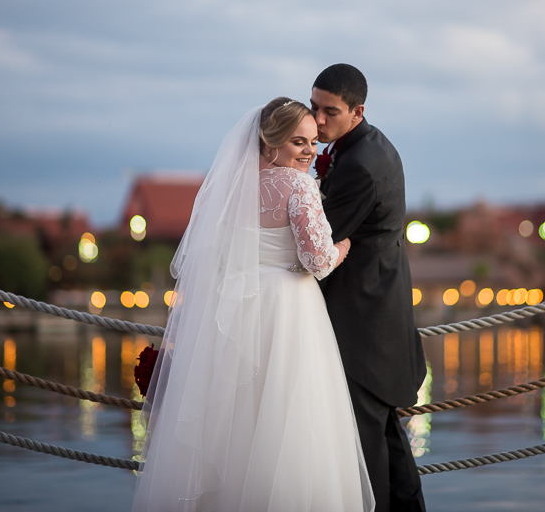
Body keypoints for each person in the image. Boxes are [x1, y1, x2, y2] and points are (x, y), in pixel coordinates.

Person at [132, 97, 374, 512]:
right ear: (268, 143)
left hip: (237, 310)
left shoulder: (227, 190)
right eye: (298, 141)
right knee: (290, 417)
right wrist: (343, 247)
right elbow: (316, 261)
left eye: (313, 142)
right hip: (288, 311)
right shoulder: (298, 186)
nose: (308, 151)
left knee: (235, 416)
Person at [311, 64, 427, 512]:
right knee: (385, 437)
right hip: (378, 312)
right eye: (315, 107)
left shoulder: (360, 164)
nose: (318, 121)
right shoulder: (366, 146)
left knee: (368, 448)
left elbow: (319, 245)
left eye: (330, 112)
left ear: (357, 111)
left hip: (362, 322)